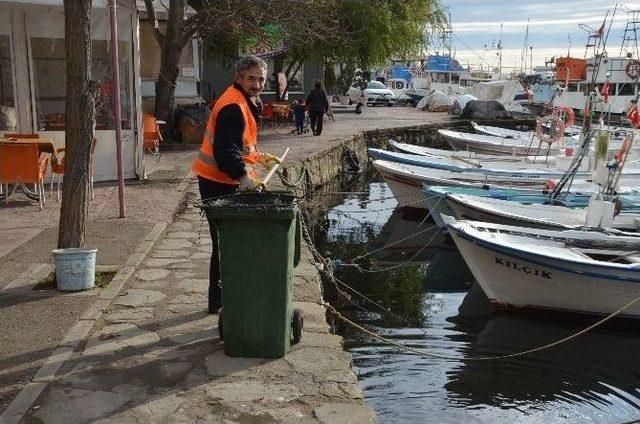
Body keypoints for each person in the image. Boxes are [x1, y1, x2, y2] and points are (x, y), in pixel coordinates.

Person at [191, 55, 281, 314]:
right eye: (251, 78)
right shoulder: (233, 105)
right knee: (225, 244)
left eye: (261, 79)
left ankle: (223, 299)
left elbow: (240, 145)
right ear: (238, 78)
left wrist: (259, 158)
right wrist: (244, 178)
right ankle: (220, 303)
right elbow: (225, 151)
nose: (257, 84)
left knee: (228, 243)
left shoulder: (246, 100)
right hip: (218, 182)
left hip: (223, 180)